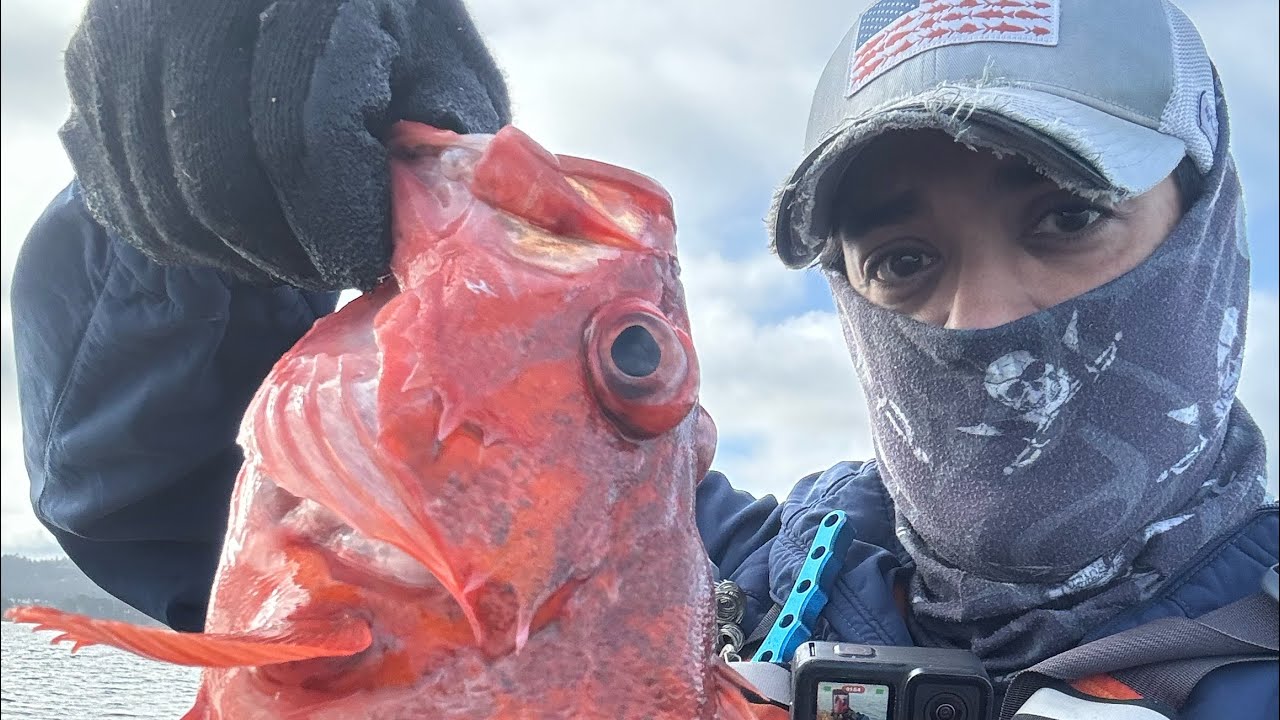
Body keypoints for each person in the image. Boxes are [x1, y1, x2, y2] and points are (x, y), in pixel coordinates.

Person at [10, 1, 1276, 718]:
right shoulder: (707, 573)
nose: (974, 318)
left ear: (1206, 235)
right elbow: (153, 488)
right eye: (898, 262)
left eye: (1063, 218)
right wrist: (194, 206)